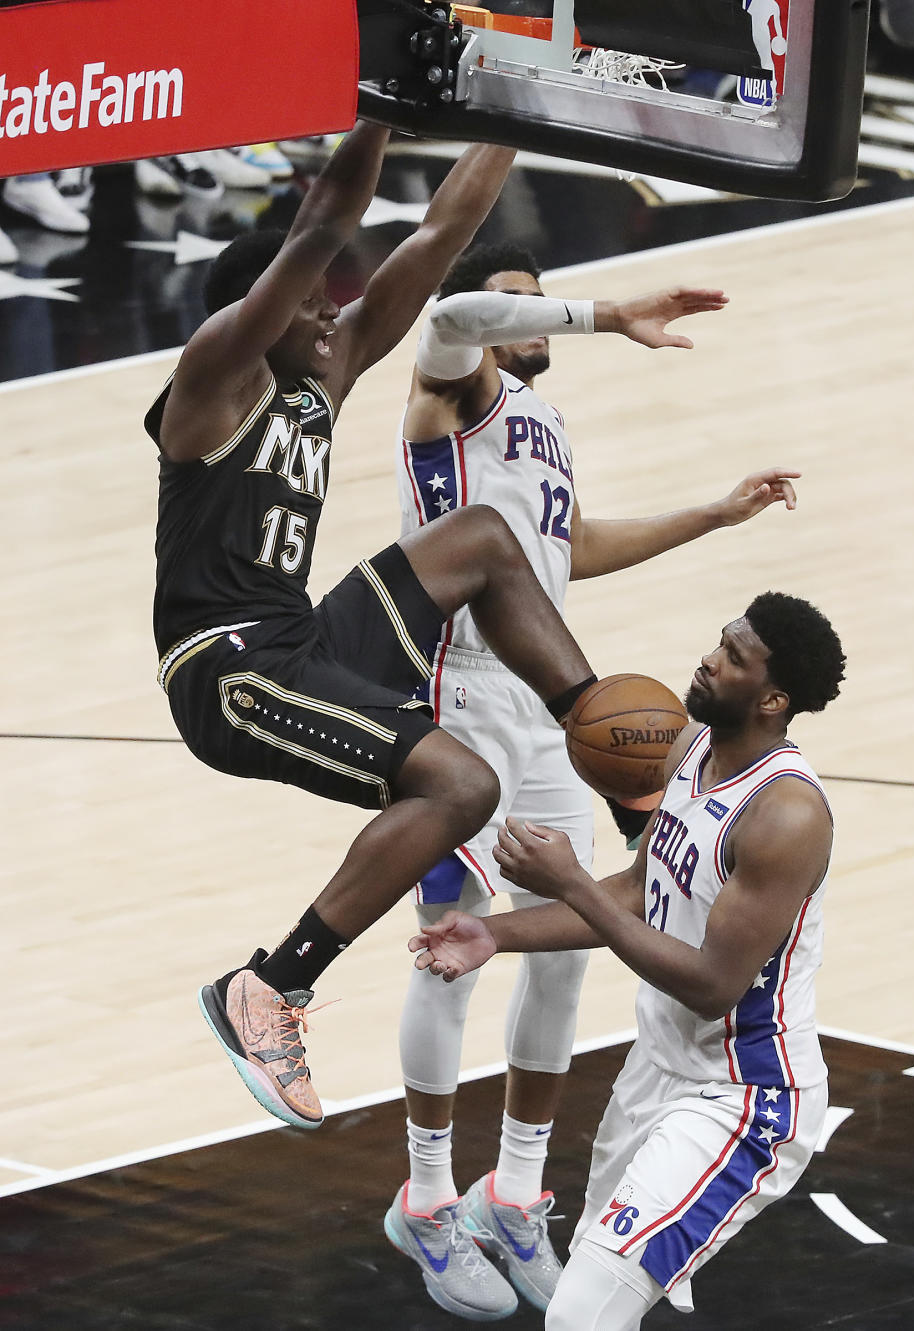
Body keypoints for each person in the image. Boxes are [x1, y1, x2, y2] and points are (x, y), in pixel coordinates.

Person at [146, 122, 617, 1157]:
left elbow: (444, 233)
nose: (333, 315)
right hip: (224, 667)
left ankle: (610, 741)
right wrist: (376, 114)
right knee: (462, 784)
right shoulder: (210, 381)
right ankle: (272, 982)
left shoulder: (329, 370)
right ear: (253, 311)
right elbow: (322, 222)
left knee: (483, 539)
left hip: (296, 633)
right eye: (314, 302)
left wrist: (508, 112)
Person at [385, 241, 802, 1319]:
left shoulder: (545, 425)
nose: (535, 316)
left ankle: (513, 1190)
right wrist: (606, 311)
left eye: (545, 301)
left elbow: (568, 554)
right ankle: (426, 1198)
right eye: (520, 302)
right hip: (457, 698)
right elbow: (454, 317)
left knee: (566, 940)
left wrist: (713, 514)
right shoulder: (446, 390)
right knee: (449, 951)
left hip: (549, 699)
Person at [411, 592, 845, 1329]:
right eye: (721, 639)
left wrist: (570, 881)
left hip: (744, 1100)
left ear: (773, 699)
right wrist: (498, 937)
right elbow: (641, 891)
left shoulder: (786, 815)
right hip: (657, 1068)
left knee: (580, 1315)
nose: (710, 658)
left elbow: (712, 985)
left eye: (735, 657)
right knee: (594, 1302)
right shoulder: (689, 748)